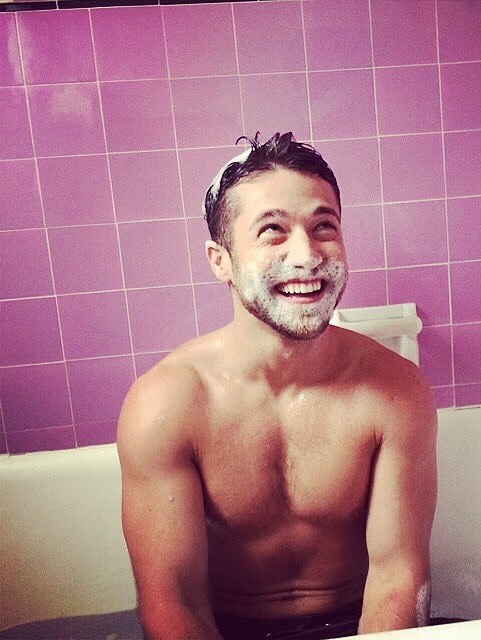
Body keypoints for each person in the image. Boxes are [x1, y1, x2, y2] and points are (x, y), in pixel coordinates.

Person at [117, 132, 438, 640]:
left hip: (359, 624)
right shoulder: (167, 405)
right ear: (220, 260)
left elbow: (398, 577)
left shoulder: (395, 391)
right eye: (273, 231)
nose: (307, 255)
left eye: (324, 226)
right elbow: (173, 599)